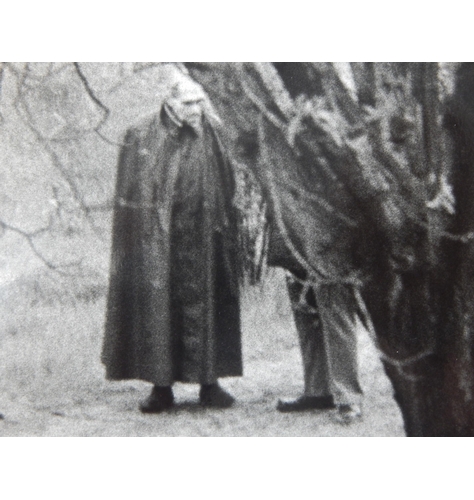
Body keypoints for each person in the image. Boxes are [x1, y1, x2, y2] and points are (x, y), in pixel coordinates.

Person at [101, 76, 242, 413]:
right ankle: (160, 389)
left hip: (206, 235)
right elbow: (130, 198)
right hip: (159, 240)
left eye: (200, 102)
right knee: (158, 309)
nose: (197, 110)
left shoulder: (216, 132)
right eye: (188, 103)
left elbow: (228, 185)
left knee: (207, 305)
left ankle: (210, 384)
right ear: (169, 101)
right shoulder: (141, 134)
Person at [277, 269, 363, 423]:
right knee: (305, 310)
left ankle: (348, 398)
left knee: (335, 307)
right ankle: (318, 391)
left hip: (330, 254)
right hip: (297, 250)